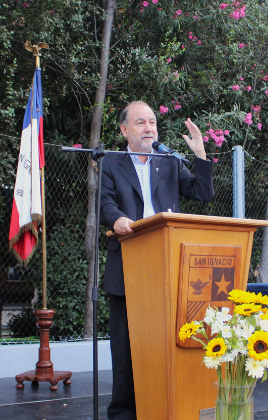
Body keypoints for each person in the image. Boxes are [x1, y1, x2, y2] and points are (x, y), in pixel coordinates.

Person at [99, 101, 214, 419]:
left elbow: (202, 193)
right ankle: (124, 413)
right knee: (125, 350)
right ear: (124, 130)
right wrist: (118, 219)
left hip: (168, 266)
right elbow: (104, 202)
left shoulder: (168, 161)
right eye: (140, 123)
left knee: (165, 345)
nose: (149, 127)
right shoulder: (111, 162)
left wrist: (200, 153)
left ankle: (164, 407)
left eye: (152, 122)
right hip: (128, 263)